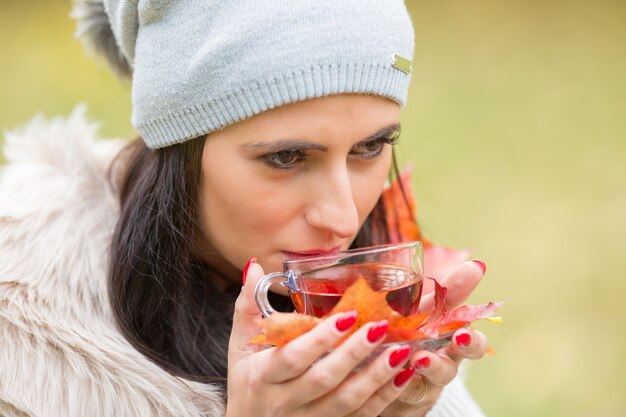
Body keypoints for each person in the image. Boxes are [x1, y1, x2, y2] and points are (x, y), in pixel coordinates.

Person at [0, 1, 490, 416]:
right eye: (286, 157)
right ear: (180, 149)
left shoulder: (392, 334)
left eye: (370, 148)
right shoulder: (24, 355)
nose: (343, 219)